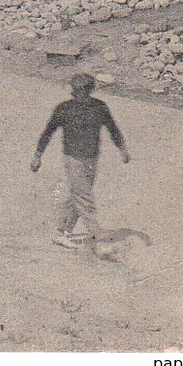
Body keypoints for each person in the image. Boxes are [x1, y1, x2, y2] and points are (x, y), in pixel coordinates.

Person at [31, 72, 130, 255]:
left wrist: (122, 149)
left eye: (84, 90)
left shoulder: (100, 108)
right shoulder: (64, 109)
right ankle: (98, 238)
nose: (80, 94)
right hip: (73, 160)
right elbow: (48, 132)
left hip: (91, 159)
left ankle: (62, 232)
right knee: (84, 198)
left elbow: (113, 129)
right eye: (77, 90)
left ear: (90, 90)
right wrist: (38, 156)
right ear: (74, 91)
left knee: (76, 196)